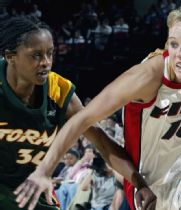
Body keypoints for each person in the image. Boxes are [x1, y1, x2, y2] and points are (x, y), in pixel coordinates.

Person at [15, 5, 181, 210]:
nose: (179, 54)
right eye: (174, 44)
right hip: (147, 177)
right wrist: (44, 171)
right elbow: (82, 120)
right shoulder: (146, 76)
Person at [0, 16, 153, 210]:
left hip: (32, 190)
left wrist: (139, 183)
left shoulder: (58, 90)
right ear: (10, 56)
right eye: (36, 55)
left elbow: (102, 142)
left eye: (50, 53)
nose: (46, 62)